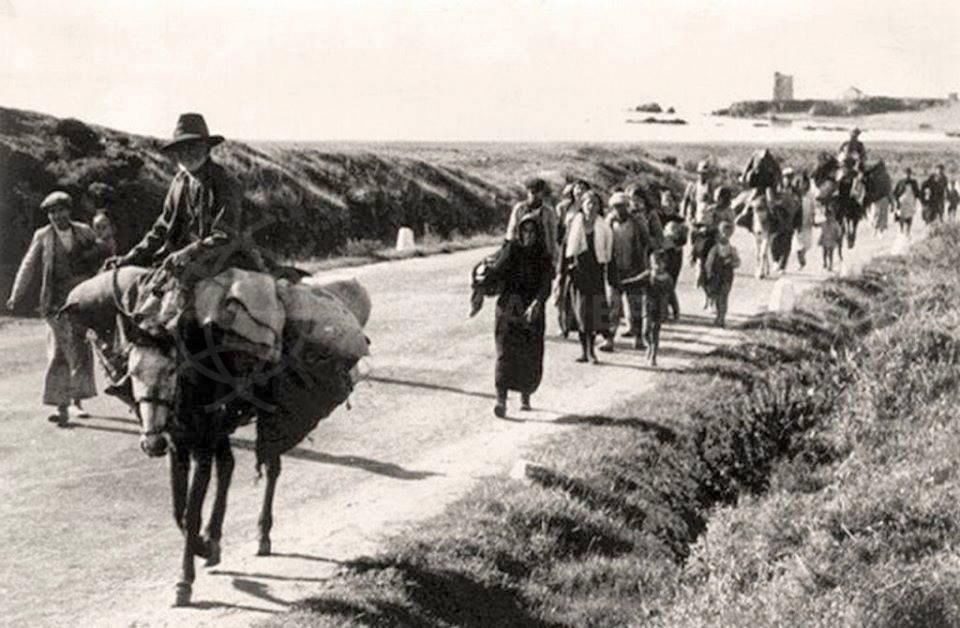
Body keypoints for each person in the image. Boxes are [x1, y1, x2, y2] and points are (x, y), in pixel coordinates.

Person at [105, 113, 245, 273]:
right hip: (180, 263)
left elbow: (224, 237)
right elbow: (161, 228)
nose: (187, 154)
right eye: (181, 149)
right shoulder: (179, 182)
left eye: (194, 146)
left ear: (207, 148)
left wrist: (189, 252)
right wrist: (130, 257)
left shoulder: (225, 183)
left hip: (220, 264)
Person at [5, 192, 100, 425]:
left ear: (69, 210)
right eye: (52, 212)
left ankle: (78, 401)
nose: (57, 215)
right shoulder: (43, 236)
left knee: (80, 351)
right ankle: (62, 406)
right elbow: (28, 264)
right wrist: (16, 294)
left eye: (61, 210)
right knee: (59, 351)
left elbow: (102, 255)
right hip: (55, 303)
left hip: (81, 300)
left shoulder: (84, 231)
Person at [471, 214, 553, 418]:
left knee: (530, 353)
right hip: (509, 306)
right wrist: (479, 290)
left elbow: (546, 284)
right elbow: (494, 273)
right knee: (505, 352)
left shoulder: (543, 255)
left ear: (539, 233)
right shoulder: (512, 250)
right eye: (524, 231)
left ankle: (526, 394)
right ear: (519, 231)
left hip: (532, 308)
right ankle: (501, 399)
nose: (528, 235)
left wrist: (538, 303)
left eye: (533, 231)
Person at [560, 190, 612, 364]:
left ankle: (591, 352)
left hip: (595, 273)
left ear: (599, 207)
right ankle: (584, 351)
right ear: (582, 205)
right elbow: (566, 249)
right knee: (580, 313)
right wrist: (563, 272)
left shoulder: (603, 226)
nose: (592, 207)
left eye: (595, 203)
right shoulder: (575, 224)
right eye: (588, 203)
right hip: (578, 274)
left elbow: (608, 251)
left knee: (593, 313)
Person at [601, 191, 650, 352]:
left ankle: (638, 338)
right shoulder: (608, 223)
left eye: (622, 206)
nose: (619, 210)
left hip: (633, 268)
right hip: (614, 269)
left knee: (634, 305)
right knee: (612, 306)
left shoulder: (636, 222)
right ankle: (609, 339)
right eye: (616, 207)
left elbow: (646, 241)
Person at [622, 251, 674, 366]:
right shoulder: (648, 275)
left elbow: (672, 296)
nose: (656, 266)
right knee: (645, 332)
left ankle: (654, 355)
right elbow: (635, 281)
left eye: (659, 263)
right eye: (653, 263)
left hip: (661, 309)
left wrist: (676, 310)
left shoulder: (668, 280)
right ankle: (649, 346)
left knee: (655, 332)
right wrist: (622, 284)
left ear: (664, 264)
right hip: (648, 308)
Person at [506, 177, 559, 265]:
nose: (534, 195)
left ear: (542, 193)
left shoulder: (548, 212)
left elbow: (552, 235)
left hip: (541, 253)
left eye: (538, 192)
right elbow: (511, 229)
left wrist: (552, 256)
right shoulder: (519, 208)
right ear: (528, 192)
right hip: (521, 250)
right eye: (532, 192)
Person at [704, 221, 739, 328]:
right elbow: (708, 263)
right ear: (719, 233)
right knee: (717, 297)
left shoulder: (732, 250)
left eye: (728, 233)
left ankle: (721, 318)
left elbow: (737, 262)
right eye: (723, 232)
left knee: (724, 297)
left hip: (727, 276)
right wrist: (709, 275)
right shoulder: (715, 249)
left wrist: (732, 262)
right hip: (716, 276)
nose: (725, 235)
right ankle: (718, 316)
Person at [659, 190, 687, 319]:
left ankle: (674, 310)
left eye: (670, 201)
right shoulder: (658, 217)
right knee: (660, 282)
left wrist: (673, 242)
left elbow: (684, 240)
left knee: (670, 283)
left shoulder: (680, 220)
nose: (667, 204)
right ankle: (663, 311)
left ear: (675, 203)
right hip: (660, 254)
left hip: (674, 255)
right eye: (665, 201)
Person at [796, 172, 817, 269]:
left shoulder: (810, 195)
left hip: (807, 220)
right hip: (798, 221)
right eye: (801, 183)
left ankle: (802, 253)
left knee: (808, 243)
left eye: (805, 183)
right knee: (799, 240)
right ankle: (801, 258)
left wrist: (813, 218)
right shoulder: (797, 195)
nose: (803, 185)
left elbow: (813, 208)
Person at [893, 168, 920, 236]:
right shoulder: (900, 182)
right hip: (901, 201)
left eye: (908, 173)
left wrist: (918, 200)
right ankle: (901, 230)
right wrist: (895, 200)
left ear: (910, 174)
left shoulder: (914, 182)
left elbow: (917, 192)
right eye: (906, 174)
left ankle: (908, 230)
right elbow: (895, 192)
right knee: (901, 215)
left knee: (909, 216)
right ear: (903, 174)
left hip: (911, 201)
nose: (907, 175)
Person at [819, 207, 842, 271]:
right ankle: (825, 262)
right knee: (824, 252)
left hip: (832, 239)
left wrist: (838, 237)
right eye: (827, 216)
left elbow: (839, 231)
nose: (828, 218)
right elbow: (818, 225)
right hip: (825, 239)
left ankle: (830, 265)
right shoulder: (824, 223)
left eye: (830, 216)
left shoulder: (835, 224)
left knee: (831, 253)